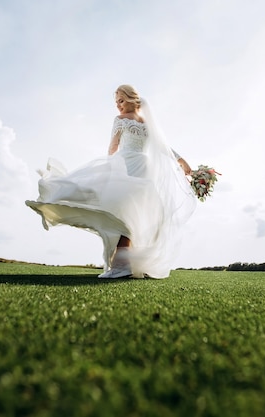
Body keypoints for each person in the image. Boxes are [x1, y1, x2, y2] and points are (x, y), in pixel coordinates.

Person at [25, 85, 196, 279]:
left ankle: (121, 266)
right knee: (131, 216)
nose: (118, 106)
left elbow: (113, 147)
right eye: (116, 103)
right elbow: (165, 148)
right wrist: (182, 161)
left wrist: (108, 169)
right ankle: (123, 264)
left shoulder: (121, 120)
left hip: (127, 166)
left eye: (121, 101)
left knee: (122, 214)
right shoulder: (147, 124)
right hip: (142, 168)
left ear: (132, 99)